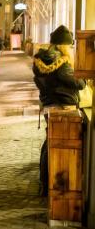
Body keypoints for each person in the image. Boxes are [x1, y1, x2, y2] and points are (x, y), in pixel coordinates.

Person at [33, 25, 85, 196]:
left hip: (48, 105)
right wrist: (83, 78)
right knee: (56, 146)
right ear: (64, 46)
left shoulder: (42, 59)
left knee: (49, 142)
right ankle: (49, 185)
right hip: (62, 105)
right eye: (70, 46)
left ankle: (44, 182)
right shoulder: (61, 62)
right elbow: (79, 83)